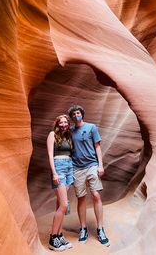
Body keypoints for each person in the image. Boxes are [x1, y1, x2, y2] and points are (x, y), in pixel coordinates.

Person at [68, 105, 110, 247]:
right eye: (73, 114)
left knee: (96, 195)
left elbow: (97, 146)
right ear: (71, 117)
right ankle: (83, 229)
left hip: (92, 165)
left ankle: (100, 229)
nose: (76, 115)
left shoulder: (91, 127)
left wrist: (100, 165)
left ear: (82, 114)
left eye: (78, 113)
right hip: (77, 168)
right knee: (80, 198)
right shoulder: (70, 131)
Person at [47, 114, 73, 251]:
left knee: (60, 204)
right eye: (61, 122)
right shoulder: (52, 135)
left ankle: (59, 235)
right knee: (64, 205)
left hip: (69, 168)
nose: (63, 124)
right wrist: (54, 173)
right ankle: (52, 239)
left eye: (65, 122)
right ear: (57, 124)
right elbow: (50, 155)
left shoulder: (68, 137)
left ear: (68, 124)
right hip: (59, 168)